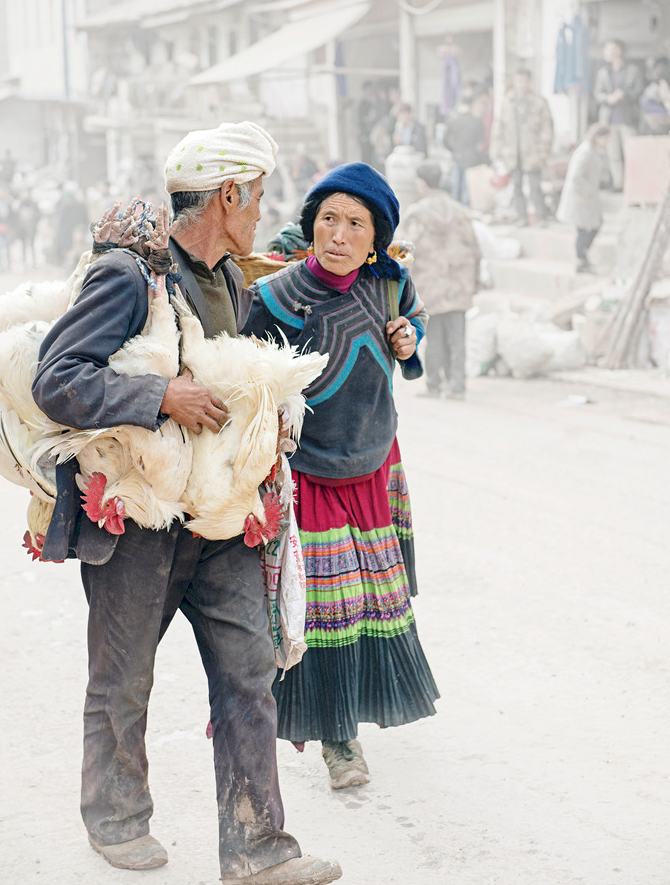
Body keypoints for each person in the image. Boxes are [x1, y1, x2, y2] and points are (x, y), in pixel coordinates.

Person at [31, 122, 342, 885]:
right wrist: (158, 393)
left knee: (247, 670)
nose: (263, 212)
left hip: (218, 518)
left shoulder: (231, 280)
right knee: (124, 675)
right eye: (258, 196)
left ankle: (256, 846)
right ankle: (115, 819)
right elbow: (55, 377)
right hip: (139, 522)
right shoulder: (129, 277)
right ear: (227, 195)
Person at [244, 162, 439, 791]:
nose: (339, 232)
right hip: (311, 474)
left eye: (357, 223)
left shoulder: (388, 283)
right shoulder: (277, 297)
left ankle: (356, 715)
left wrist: (409, 339)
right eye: (328, 217)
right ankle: (339, 741)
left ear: (376, 237)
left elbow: (415, 320)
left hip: (375, 462)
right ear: (310, 225)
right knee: (327, 608)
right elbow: (245, 378)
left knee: (371, 602)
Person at [399, 162, 481, 399]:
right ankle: (457, 386)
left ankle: (434, 385)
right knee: (457, 337)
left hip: (430, 284)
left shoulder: (417, 213)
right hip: (459, 283)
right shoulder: (460, 211)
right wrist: (475, 281)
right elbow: (475, 248)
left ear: (422, 183)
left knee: (433, 336)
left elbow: (406, 253)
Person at [490, 67, 554, 225]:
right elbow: (499, 126)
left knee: (535, 187)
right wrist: (497, 149)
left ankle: (541, 217)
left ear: (529, 81)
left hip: (533, 151)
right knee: (516, 186)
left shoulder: (539, 102)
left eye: (524, 80)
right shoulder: (508, 102)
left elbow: (547, 127)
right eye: (518, 80)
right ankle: (522, 217)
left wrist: (544, 149)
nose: (521, 84)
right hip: (512, 152)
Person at [557, 123, 610, 274]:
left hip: (588, 198)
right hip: (581, 198)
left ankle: (583, 258)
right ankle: (581, 260)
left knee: (592, 227)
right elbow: (577, 177)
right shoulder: (586, 151)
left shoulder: (593, 150)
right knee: (584, 230)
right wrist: (586, 194)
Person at [593, 39, 643, 191]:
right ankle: (618, 184)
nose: (605, 53)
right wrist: (608, 98)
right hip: (609, 119)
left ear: (617, 51)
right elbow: (597, 94)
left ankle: (633, 185)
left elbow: (639, 91)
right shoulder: (603, 73)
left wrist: (624, 94)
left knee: (632, 154)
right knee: (612, 154)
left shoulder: (633, 71)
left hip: (628, 119)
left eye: (608, 49)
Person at [444, 88, 489, 205]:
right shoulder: (476, 121)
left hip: (457, 157)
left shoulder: (453, 120)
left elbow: (445, 141)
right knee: (467, 189)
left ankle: (454, 211)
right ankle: (466, 213)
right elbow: (480, 144)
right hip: (471, 158)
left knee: (455, 187)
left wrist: (453, 150)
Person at [357, 81, 381, 167]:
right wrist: (363, 134)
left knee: (372, 157)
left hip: (373, 134)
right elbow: (360, 121)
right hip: (365, 134)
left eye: (371, 89)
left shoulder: (375, 102)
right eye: (368, 89)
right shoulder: (362, 104)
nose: (370, 91)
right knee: (366, 156)